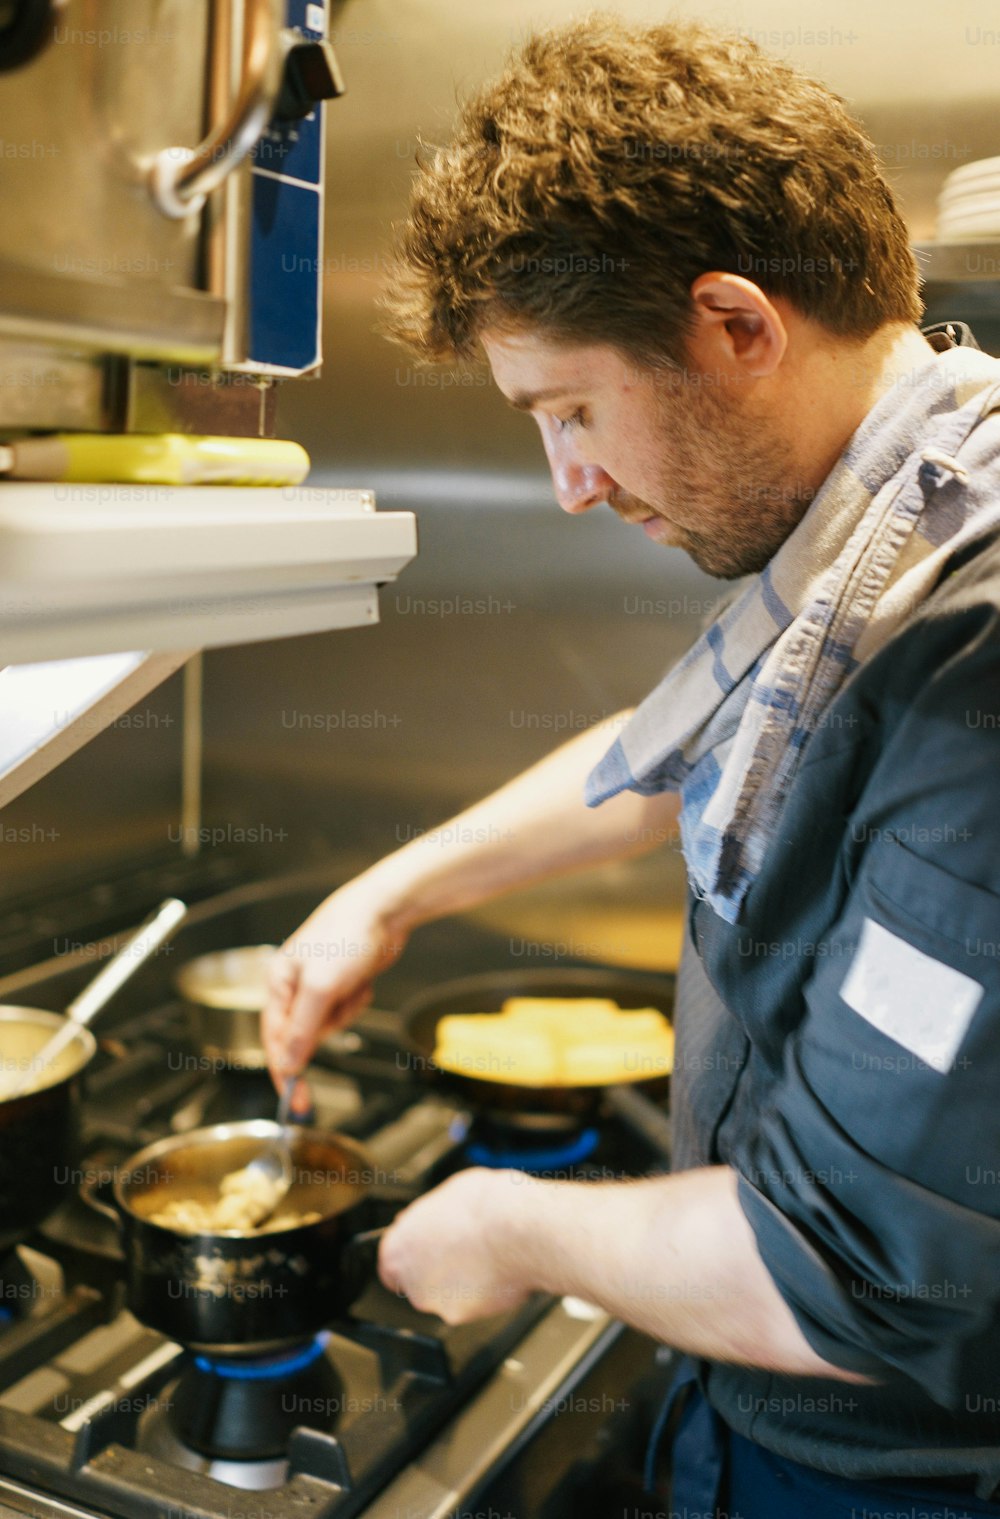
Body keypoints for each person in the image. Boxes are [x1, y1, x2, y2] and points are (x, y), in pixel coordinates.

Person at [261, 17, 1000, 1517]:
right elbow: (695, 744)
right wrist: (390, 891)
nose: (573, 483)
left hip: (899, 1471)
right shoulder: (888, 526)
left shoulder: (972, 665)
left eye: (573, 411)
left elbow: (843, 1279)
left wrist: (512, 1228)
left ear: (735, 324)